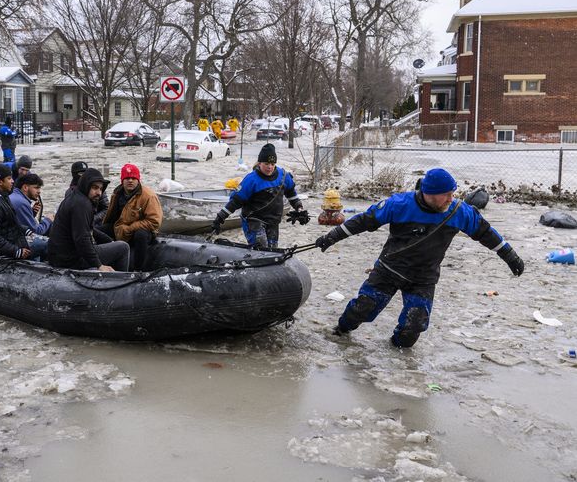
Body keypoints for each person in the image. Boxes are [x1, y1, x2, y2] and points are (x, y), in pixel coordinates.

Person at [315, 168, 525, 348]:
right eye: (446, 195)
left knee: (413, 326)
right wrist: (332, 237)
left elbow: (485, 232)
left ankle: (396, 355)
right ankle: (340, 331)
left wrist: (509, 255)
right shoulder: (399, 204)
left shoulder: (459, 212)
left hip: (423, 278)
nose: (451, 199)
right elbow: (363, 221)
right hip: (389, 269)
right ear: (429, 193)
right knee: (363, 308)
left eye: (453, 194)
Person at [211, 143, 308, 248]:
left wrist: (299, 208)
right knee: (261, 250)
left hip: (273, 221)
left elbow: (291, 193)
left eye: (272, 164)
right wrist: (220, 218)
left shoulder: (283, 176)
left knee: (273, 250)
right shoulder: (251, 180)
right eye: (266, 164)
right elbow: (235, 202)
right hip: (253, 220)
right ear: (259, 163)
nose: (269, 167)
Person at [48, 168, 130, 272]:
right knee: (123, 248)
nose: (99, 193)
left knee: (114, 244)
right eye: (95, 188)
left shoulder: (75, 197)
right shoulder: (82, 205)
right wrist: (99, 265)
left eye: (100, 189)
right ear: (86, 186)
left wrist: (110, 241)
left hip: (59, 256)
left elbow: (89, 229)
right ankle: (122, 281)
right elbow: (82, 239)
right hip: (70, 259)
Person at [101, 164, 163, 271]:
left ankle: (138, 269)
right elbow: (111, 218)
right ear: (122, 180)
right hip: (120, 228)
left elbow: (154, 221)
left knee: (141, 235)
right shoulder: (117, 193)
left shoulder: (149, 196)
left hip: (142, 231)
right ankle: (100, 262)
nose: (130, 181)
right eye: (127, 178)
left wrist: (130, 228)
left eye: (133, 178)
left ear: (138, 180)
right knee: (100, 230)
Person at [9, 173, 53, 259]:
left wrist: (31, 213)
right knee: (50, 243)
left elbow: (19, 221)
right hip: (15, 243)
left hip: (10, 239)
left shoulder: (14, 196)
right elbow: (36, 231)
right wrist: (48, 220)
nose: (39, 191)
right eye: (36, 187)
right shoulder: (21, 202)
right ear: (25, 187)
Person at [66, 161, 109, 226]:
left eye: (85, 173)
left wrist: (92, 220)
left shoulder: (98, 189)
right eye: (81, 173)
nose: (84, 176)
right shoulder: (70, 192)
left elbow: (107, 209)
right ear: (74, 175)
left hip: (97, 223)